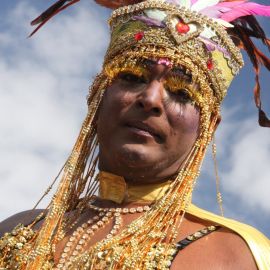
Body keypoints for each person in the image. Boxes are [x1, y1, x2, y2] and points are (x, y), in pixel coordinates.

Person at [0, 0, 270, 269]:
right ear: (97, 93)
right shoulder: (18, 229)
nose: (151, 98)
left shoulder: (234, 256)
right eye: (132, 76)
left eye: (182, 93)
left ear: (208, 127)